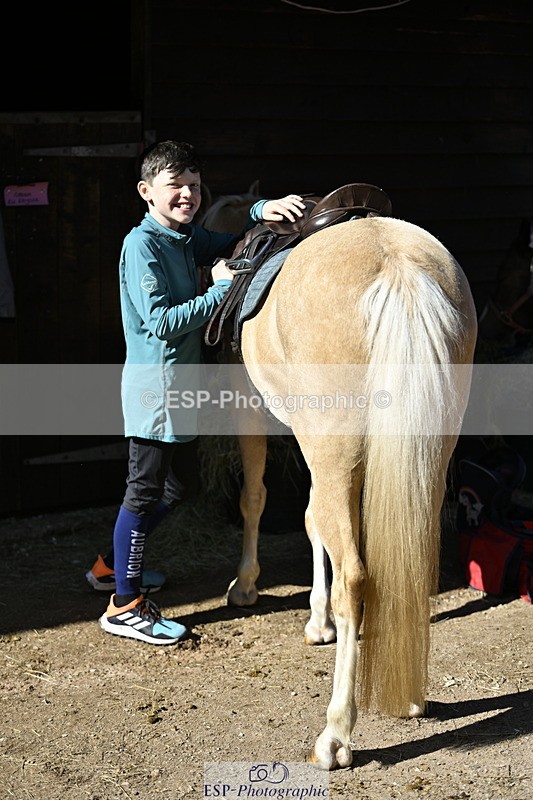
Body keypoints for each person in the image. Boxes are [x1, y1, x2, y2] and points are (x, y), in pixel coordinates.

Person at [86, 139, 305, 645]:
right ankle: (125, 604)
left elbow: (224, 236)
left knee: (175, 489)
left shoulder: (184, 239)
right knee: (144, 493)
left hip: (179, 389)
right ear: (146, 192)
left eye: (193, 185)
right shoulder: (143, 245)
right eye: (174, 186)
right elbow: (161, 322)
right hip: (155, 392)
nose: (186, 194)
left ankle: (111, 568)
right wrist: (219, 289)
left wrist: (260, 210)